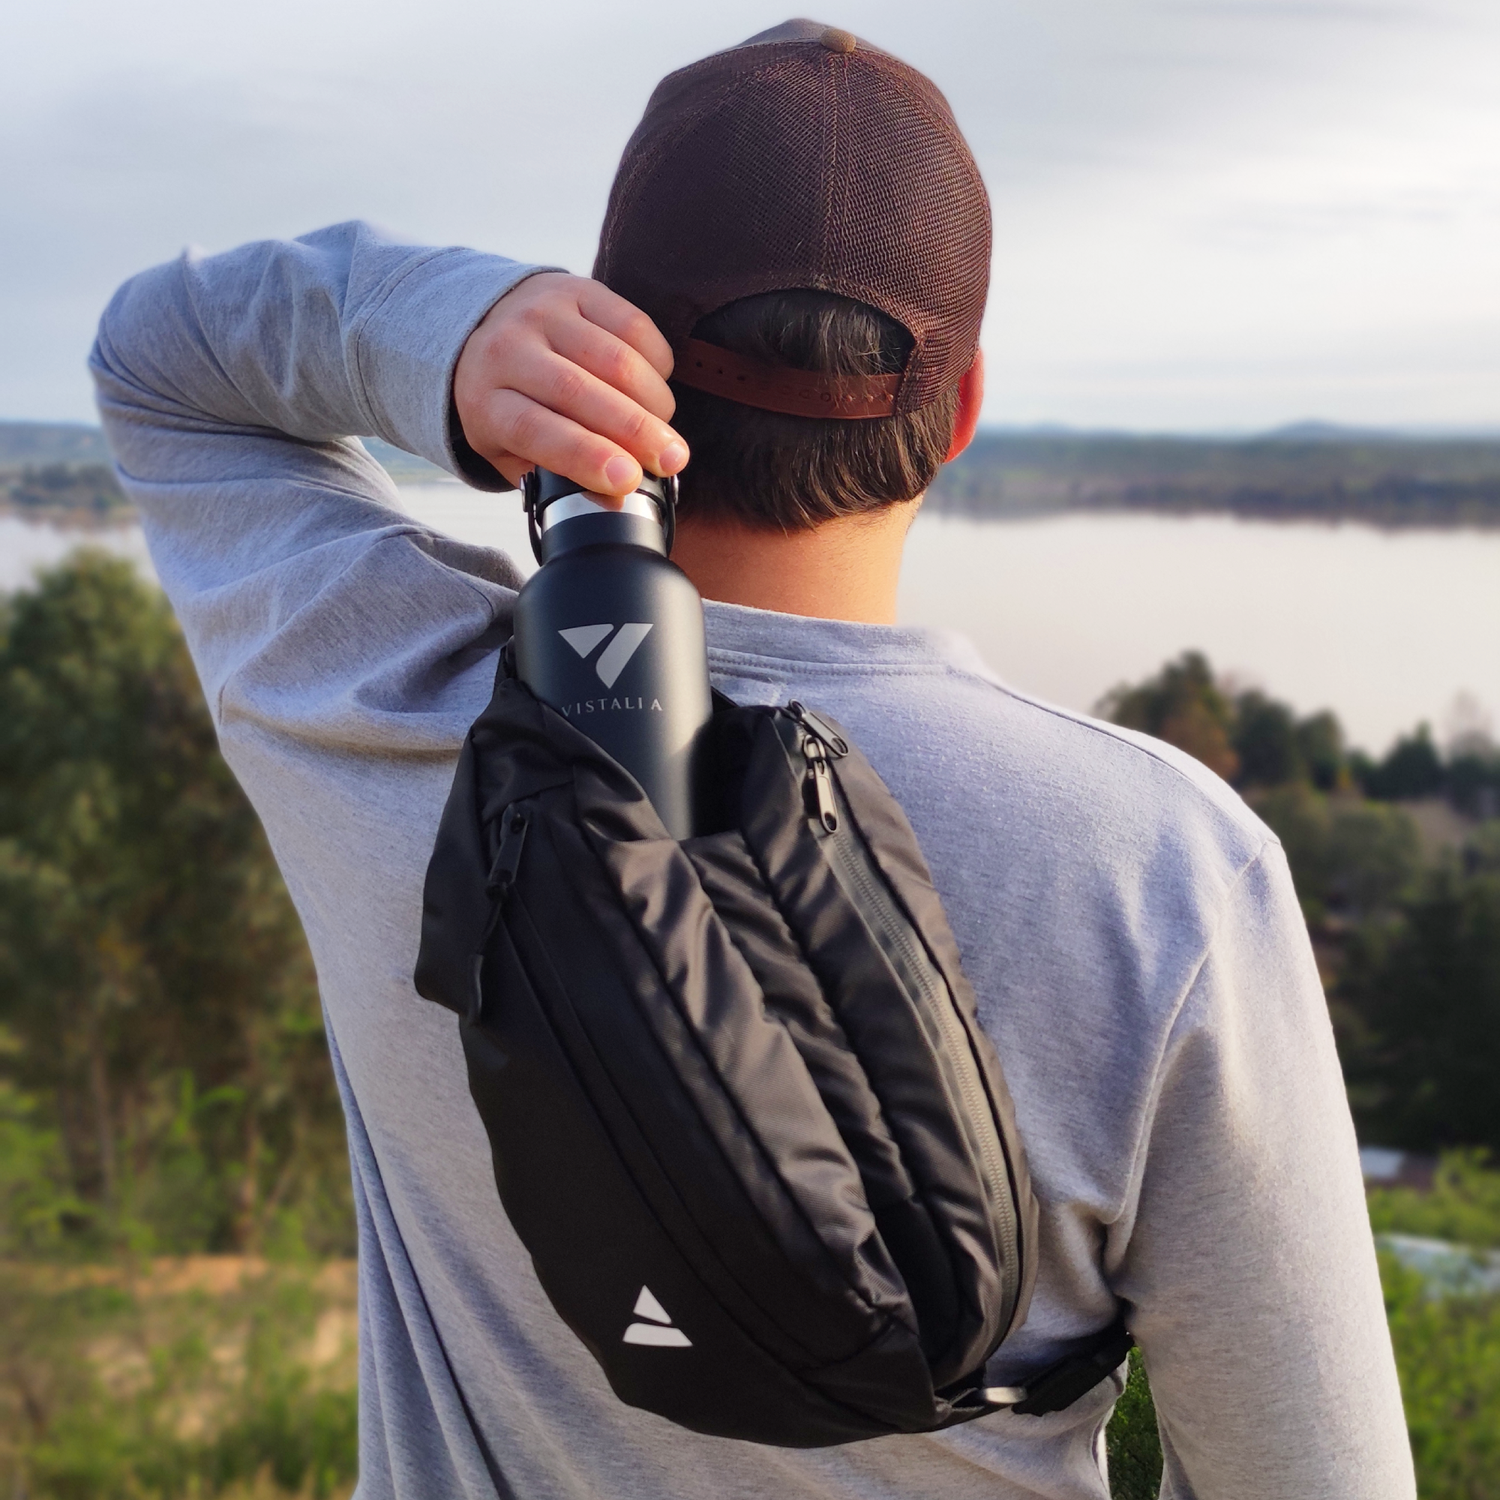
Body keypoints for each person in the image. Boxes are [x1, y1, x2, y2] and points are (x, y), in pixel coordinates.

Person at [92, 19, 1414, 1500]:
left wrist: (456, 328)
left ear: (608, 351)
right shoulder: (1161, 874)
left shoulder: (377, 690)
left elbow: (160, 356)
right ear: (961, 407)